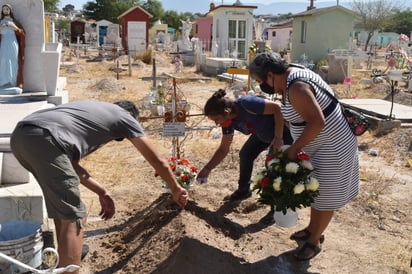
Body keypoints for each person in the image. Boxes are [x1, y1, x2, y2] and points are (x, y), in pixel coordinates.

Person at [10, 100, 188, 273]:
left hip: (21, 138)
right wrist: (175, 188)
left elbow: (72, 167)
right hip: (45, 140)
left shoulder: (93, 112)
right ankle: (70, 270)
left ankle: (66, 260)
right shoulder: (124, 117)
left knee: (63, 212)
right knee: (74, 216)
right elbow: (158, 161)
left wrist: (102, 192)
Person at [249, 52, 359, 261]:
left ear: (271, 74)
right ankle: (311, 230)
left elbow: (317, 122)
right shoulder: (289, 76)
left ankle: (314, 242)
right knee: (317, 193)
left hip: (333, 146)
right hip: (320, 145)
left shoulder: (297, 87)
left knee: (326, 197)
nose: (261, 86)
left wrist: (294, 149)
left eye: (261, 81)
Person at [197, 89, 293, 205]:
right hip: (262, 134)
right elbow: (223, 149)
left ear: (226, 112)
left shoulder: (247, 103)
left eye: (216, 119)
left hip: (282, 133)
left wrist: (278, 138)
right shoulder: (228, 122)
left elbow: (277, 108)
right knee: (246, 154)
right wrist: (207, 168)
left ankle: (275, 205)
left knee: (273, 165)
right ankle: (243, 191)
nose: (217, 124)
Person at [0, 4, 25, 89]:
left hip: (13, 42)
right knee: (3, 61)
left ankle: (12, 82)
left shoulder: (14, 22)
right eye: (4, 9)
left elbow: (22, 33)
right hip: (3, 43)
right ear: (2, 11)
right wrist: (2, 27)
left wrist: (13, 27)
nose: (6, 10)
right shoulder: (1, 22)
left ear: (10, 10)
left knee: (13, 61)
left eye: (7, 9)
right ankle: (3, 82)